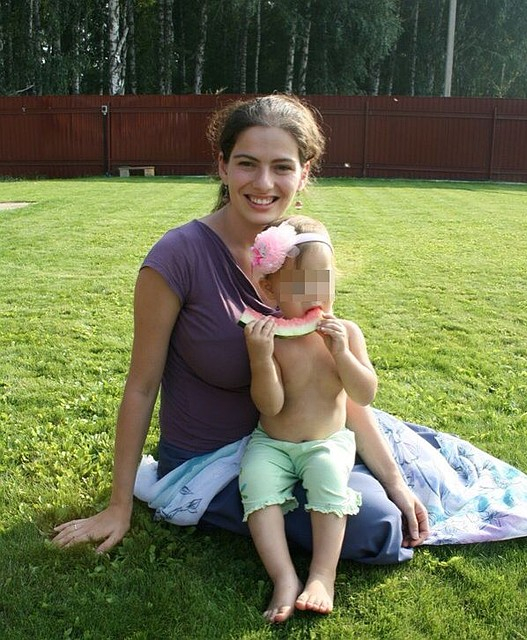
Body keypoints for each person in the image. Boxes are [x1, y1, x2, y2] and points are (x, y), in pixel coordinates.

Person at [52, 94, 429, 566]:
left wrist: (394, 480)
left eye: (282, 167)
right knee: (375, 528)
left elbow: (334, 384)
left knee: (390, 503)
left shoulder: (304, 252)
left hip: (299, 442)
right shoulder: (177, 257)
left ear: (304, 174)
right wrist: (118, 505)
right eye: (247, 163)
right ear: (223, 166)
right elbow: (142, 386)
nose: (263, 183)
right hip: (211, 461)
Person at [239, 215, 375, 622]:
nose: (316, 295)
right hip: (273, 443)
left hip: (328, 441)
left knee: (329, 479)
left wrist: (342, 354)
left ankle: (322, 575)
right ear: (270, 288)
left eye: (324, 281)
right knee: (256, 484)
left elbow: (365, 393)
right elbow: (270, 406)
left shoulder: (347, 332)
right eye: (301, 285)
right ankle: (283, 577)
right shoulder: (269, 338)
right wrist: (261, 359)